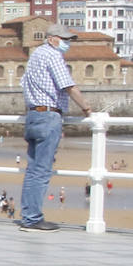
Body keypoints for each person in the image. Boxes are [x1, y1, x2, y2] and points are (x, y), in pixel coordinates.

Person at [18, 23, 91, 231]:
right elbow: (68, 85)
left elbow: (23, 85)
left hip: (33, 114)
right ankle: (32, 218)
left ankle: (28, 216)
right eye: (64, 39)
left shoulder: (34, 56)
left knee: (33, 169)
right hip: (48, 115)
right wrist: (87, 108)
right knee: (41, 170)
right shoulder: (52, 55)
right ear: (52, 39)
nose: (67, 43)